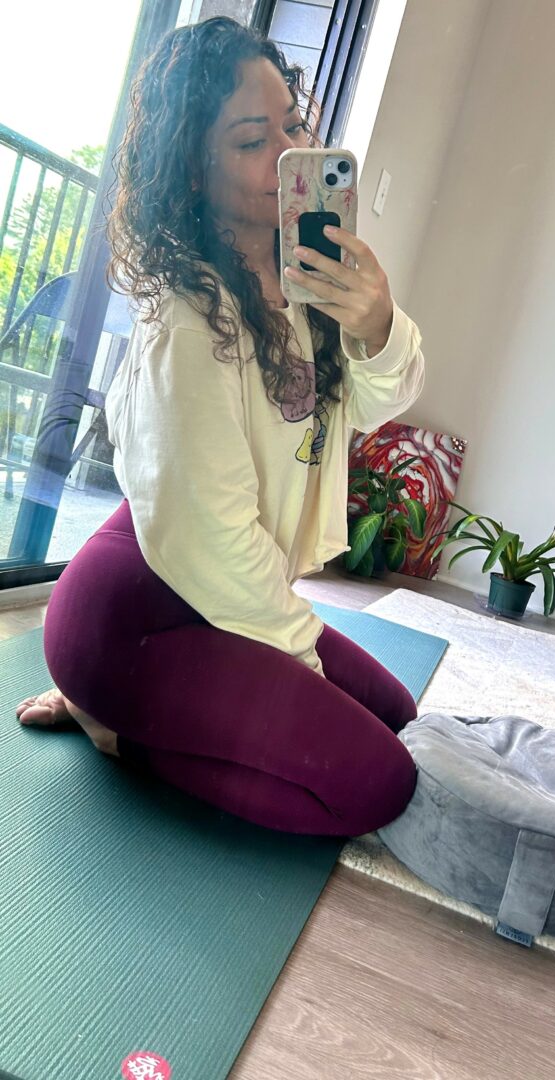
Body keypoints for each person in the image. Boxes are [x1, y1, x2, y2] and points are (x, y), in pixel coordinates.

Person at [15, 16, 425, 837]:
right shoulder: (187, 320)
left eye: (293, 126)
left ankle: (145, 712)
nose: (287, 152)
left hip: (214, 589)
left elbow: (377, 403)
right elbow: (213, 540)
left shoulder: (308, 282)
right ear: (194, 172)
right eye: (251, 141)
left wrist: (377, 325)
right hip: (135, 617)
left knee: (397, 715)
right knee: (378, 783)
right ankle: (110, 721)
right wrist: (302, 672)